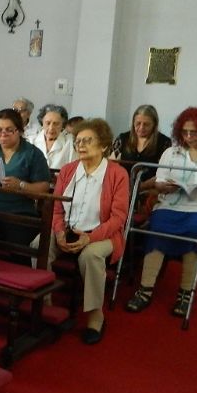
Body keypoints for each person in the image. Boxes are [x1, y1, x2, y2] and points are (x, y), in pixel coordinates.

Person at [125, 107, 197, 317]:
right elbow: (160, 178)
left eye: (194, 132)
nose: (188, 136)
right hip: (173, 203)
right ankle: (145, 289)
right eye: (185, 132)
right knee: (157, 226)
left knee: (196, 229)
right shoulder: (172, 151)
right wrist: (162, 186)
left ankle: (186, 292)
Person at [42, 118, 129, 344]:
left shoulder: (118, 174)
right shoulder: (68, 171)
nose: (80, 145)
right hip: (68, 229)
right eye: (78, 141)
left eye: (87, 141)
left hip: (103, 234)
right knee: (39, 245)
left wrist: (90, 238)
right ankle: (44, 302)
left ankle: (95, 314)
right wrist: (59, 232)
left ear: (103, 145)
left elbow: (118, 218)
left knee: (90, 255)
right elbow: (56, 209)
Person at [0, 108, 51, 263]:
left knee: (18, 244)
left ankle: (20, 274)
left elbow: (44, 186)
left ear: (19, 131)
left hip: (18, 213)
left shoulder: (32, 153)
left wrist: (21, 185)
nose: (3, 134)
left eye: (9, 130)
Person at [111, 105, 173, 190]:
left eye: (146, 124)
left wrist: (144, 186)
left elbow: (165, 173)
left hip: (151, 191)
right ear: (133, 122)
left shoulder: (164, 142)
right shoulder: (122, 139)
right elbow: (111, 166)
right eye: (138, 123)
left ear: (154, 125)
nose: (141, 127)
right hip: (123, 189)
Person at [29, 104, 77, 169]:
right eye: (48, 123)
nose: (51, 128)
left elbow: (74, 168)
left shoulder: (70, 142)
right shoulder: (31, 141)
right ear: (42, 123)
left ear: (62, 125)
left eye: (56, 124)